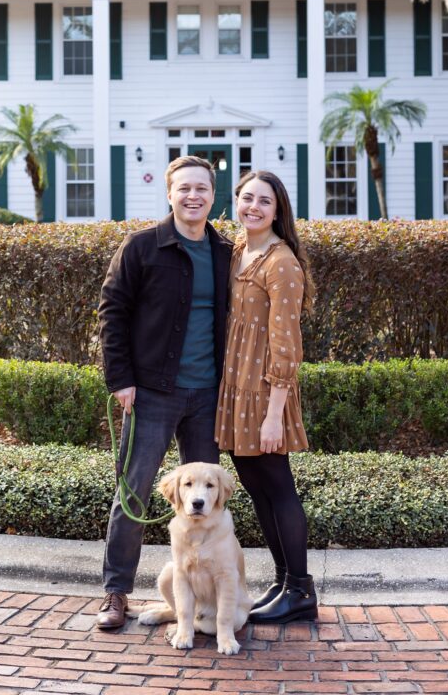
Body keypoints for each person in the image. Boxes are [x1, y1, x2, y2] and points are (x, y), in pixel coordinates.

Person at [96, 154, 233, 630]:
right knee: (133, 492)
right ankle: (116, 593)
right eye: (184, 188)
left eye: (202, 189)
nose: (193, 196)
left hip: (207, 397)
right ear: (169, 193)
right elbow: (112, 312)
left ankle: (202, 600)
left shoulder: (225, 252)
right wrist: (121, 379)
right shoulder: (141, 247)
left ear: (213, 196)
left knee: (206, 502)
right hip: (152, 392)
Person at [215, 169, 317, 624]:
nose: (253, 207)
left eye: (265, 201)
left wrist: (275, 415)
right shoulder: (238, 249)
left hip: (264, 393)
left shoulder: (280, 262)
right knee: (257, 490)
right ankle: (282, 580)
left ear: (278, 211)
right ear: (236, 201)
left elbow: (286, 343)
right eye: (247, 198)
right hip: (236, 389)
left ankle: (301, 589)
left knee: (279, 488)